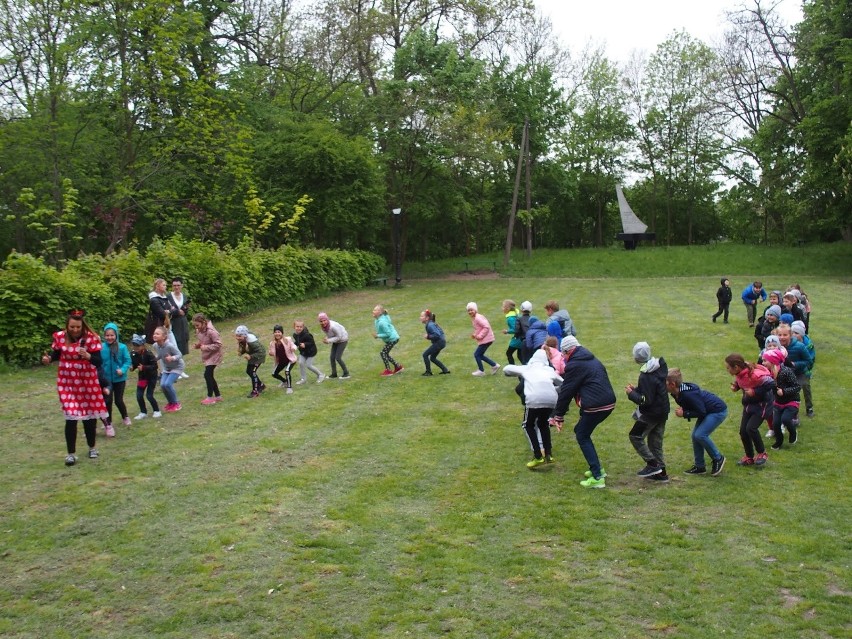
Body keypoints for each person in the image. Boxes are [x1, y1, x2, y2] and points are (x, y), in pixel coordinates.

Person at [42, 310, 110, 466]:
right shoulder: (60, 337)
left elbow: (98, 361)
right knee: (70, 417)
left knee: (89, 416)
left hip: (87, 381)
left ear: (82, 325)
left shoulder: (91, 339)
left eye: (78, 327)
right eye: (72, 327)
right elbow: (57, 354)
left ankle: (92, 447)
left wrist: (88, 357)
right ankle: (70, 454)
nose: (75, 330)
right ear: (67, 325)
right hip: (68, 382)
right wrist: (49, 359)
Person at [549, 336, 617, 489]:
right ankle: (597, 469)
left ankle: (598, 477)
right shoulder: (590, 358)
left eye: (564, 354)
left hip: (596, 405)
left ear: (569, 351)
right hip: (608, 402)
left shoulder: (574, 365)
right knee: (581, 431)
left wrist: (558, 416)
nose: (564, 357)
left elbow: (566, 391)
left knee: (582, 434)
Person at [504, 349, 563, 468]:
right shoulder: (549, 370)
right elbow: (563, 383)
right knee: (543, 424)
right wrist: (554, 391)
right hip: (551, 400)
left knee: (528, 425)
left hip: (534, 399)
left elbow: (507, 369)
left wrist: (514, 373)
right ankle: (548, 454)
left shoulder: (527, 368)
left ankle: (537, 456)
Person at [665, 368, 728, 476]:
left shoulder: (687, 394)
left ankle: (718, 458)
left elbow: (701, 412)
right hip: (707, 410)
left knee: (700, 435)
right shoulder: (677, 392)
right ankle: (700, 466)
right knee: (695, 436)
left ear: (672, 384)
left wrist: (684, 414)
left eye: (663, 383)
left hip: (717, 411)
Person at [625, 342, 671, 482]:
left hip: (650, 414)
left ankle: (653, 464)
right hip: (662, 411)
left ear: (636, 358)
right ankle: (661, 474)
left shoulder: (645, 375)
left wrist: (631, 394)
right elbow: (652, 391)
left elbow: (646, 400)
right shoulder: (658, 368)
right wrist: (637, 389)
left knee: (635, 436)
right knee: (654, 443)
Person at [725, 353, 774, 466]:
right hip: (749, 404)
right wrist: (737, 386)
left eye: (728, 367)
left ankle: (762, 453)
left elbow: (771, 383)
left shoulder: (755, 375)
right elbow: (741, 379)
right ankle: (749, 456)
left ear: (736, 367)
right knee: (743, 431)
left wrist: (755, 392)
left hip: (762, 405)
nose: (727, 370)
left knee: (751, 428)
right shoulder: (740, 372)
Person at [760, 348, 800, 450]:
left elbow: (797, 387)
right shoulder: (768, 374)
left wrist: (784, 391)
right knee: (775, 423)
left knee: (785, 419)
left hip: (792, 401)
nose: (762, 363)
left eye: (765, 360)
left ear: (773, 361)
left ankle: (793, 432)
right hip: (778, 402)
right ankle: (779, 441)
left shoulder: (786, 372)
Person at [777, 324, 815, 417]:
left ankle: (809, 408)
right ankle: (792, 414)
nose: (782, 337)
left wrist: (796, 364)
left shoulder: (800, 346)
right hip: (785, 374)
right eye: (780, 335)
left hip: (800, 372)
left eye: (785, 335)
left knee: (805, 386)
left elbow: (808, 360)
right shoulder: (776, 347)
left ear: (790, 335)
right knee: (788, 391)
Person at [100, 321, 132, 432]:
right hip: (106, 380)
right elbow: (98, 362)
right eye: (107, 335)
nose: (109, 337)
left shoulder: (122, 347)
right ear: (104, 336)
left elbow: (127, 361)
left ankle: (125, 416)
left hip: (119, 379)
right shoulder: (101, 348)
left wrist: (122, 370)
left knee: (118, 400)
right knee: (107, 401)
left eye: (112, 335)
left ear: (116, 335)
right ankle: (109, 423)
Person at [192, 313, 223, 404]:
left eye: (198, 325)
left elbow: (218, 344)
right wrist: (199, 345)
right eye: (195, 326)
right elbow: (202, 341)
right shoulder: (199, 331)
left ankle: (210, 397)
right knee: (209, 375)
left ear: (204, 322)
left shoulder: (211, 332)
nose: (197, 328)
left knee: (207, 375)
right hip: (207, 355)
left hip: (215, 355)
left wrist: (205, 347)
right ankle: (218, 396)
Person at [151, 326, 184, 411]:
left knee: (168, 384)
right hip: (167, 368)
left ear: (164, 337)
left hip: (177, 367)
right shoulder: (155, 345)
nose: (154, 335)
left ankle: (176, 403)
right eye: (154, 333)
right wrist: (155, 359)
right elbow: (160, 355)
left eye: (157, 334)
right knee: (162, 385)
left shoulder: (169, 346)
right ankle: (171, 403)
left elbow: (179, 354)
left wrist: (172, 358)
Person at [130, 333, 161, 420]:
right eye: (134, 346)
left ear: (143, 346)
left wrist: (144, 367)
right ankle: (143, 412)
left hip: (151, 377)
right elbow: (135, 364)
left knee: (149, 395)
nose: (136, 348)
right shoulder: (133, 354)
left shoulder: (149, 354)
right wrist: (133, 367)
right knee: (139, 395)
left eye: (138, 346)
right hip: (142, 377)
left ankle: (157, 410)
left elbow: (155, 366)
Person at [467, 302, 500, 377]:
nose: (470, 312)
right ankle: (494, 365)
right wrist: (475, 335)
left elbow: (486, 327)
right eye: (468, 310)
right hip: (487, 339)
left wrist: (480, 336)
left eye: (471, 310)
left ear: (475, 310)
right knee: (480, 355)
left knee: (476, 354)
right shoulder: (475, 318)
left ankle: (481, 371)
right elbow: (479, 328)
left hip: (486, 339)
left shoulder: (478, 317)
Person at [235, 324, 266, 397]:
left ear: (245, 335)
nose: (238, 338)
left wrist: (250, 356)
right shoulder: (243, 340)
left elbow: (261, 352)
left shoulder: (252, 341)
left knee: (252, 372)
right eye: (237, 335)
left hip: (258, 357)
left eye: (240, 336)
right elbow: (245, 348)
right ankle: (261, 385)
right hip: (253, 357)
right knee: (248, 371)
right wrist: (241, 352)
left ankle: (255, 391)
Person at [373, 305, 403, 376]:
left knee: (383, 353)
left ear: (380, 313)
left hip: (392, 339)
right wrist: (386, 314)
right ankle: (398, 367)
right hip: (393, 338)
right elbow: (388, 319)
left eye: (375, 310)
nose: (373, 311)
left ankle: (388, 370)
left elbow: (388, 334)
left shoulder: (382, 322)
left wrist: (378, 336)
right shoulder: (379, 319)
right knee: (385, 353)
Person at [318, 312, 350, 379]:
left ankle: (346, 373)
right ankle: (334, 374)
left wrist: (329, 340)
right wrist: (327, 338)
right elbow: (330, 334)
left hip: (343, 340)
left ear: (327, 319)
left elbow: (339, 336)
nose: (323, 322)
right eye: (321, 321)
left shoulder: (333, 326)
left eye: (324, 320)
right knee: (332, 357)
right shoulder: (324, 327)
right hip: (336, 340)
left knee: (338, 358)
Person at [293, 319, 325, 384]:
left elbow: (312, 342)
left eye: (300, 327)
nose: (299, 328)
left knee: (309, 365)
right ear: (294, 327)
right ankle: (303, 379)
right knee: (301, 363)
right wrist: (293, 345)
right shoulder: (295, 335)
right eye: (297, 326)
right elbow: (297, 341)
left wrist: (305, 344)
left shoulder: (307, 335)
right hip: (303, 352)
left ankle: (321, 374)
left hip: (311, 352)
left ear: (303, 327)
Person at [269, 324, 297, 393]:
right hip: (281, 361)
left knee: (287, 371)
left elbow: (293, 345)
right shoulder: (272, 343)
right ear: (273, 333)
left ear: (282, 333)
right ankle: (285, 381)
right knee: (274, 374)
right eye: (275, 332)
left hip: (290, 360)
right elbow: (272, 351)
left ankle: (289, 387)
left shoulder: (287, 339)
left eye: (279, 332)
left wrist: (293, 348)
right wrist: (271, 353)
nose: (277, 333)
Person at [420, 309, 450, 375]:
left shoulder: (430, 325)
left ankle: (428, 372)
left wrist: (428, 336)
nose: (420, 318)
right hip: (441, 342)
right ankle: (445, 370)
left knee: (425, 355)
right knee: (432, 358)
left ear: (427, 318)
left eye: (422, 316)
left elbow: (437, 335)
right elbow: (440, 332)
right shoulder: (431, 323)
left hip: (439, 343)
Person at [168, 276, 191, 357]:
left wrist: (186, 308)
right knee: (174, 342)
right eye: (174, 285)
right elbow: (167, 310)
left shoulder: (184, 296)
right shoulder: (169, 297)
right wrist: (177, 312)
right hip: (173, 322)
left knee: (183, 342)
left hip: (183, 322)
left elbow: (185, 311)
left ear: (182, 286)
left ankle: (181, 362)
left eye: (178, 285)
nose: (176, 287)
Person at [145, 278, 173, 344]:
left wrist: (168, 311)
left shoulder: (164, 297)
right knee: (162, 345)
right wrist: (168, 311)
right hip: (159, 325)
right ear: (157, 286)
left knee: (171, 345)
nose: (165, 287)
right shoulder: (154, 299)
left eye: (165, 285)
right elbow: (162, 313)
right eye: (163, 285)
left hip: (167, 325)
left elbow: (172, 309)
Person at [501, 300, 523, 365]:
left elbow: (515, 329)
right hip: (522, 338)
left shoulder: (510, 318)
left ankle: (512, 368)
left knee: (509, 353)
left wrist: (507, 331)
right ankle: (527, 367)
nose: (502, 308)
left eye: (503, 307)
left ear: (507, 308)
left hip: (518, 339)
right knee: (520, 356)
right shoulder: (516, 314)